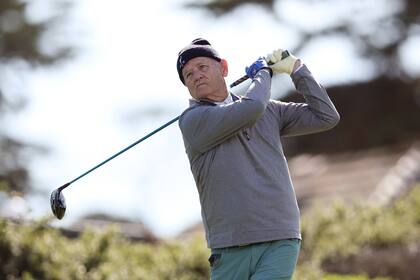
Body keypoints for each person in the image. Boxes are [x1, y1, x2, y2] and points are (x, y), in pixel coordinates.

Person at [177, 38, 340, 280]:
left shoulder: (269, 110)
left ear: (223, 68)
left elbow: (326, 116)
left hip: (279, 235)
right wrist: (263, 73)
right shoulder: (193, 120)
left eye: (202, 67)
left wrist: (297, 69)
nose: (196, 76)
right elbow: (250, 110)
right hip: (230, 246)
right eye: (188, 74)